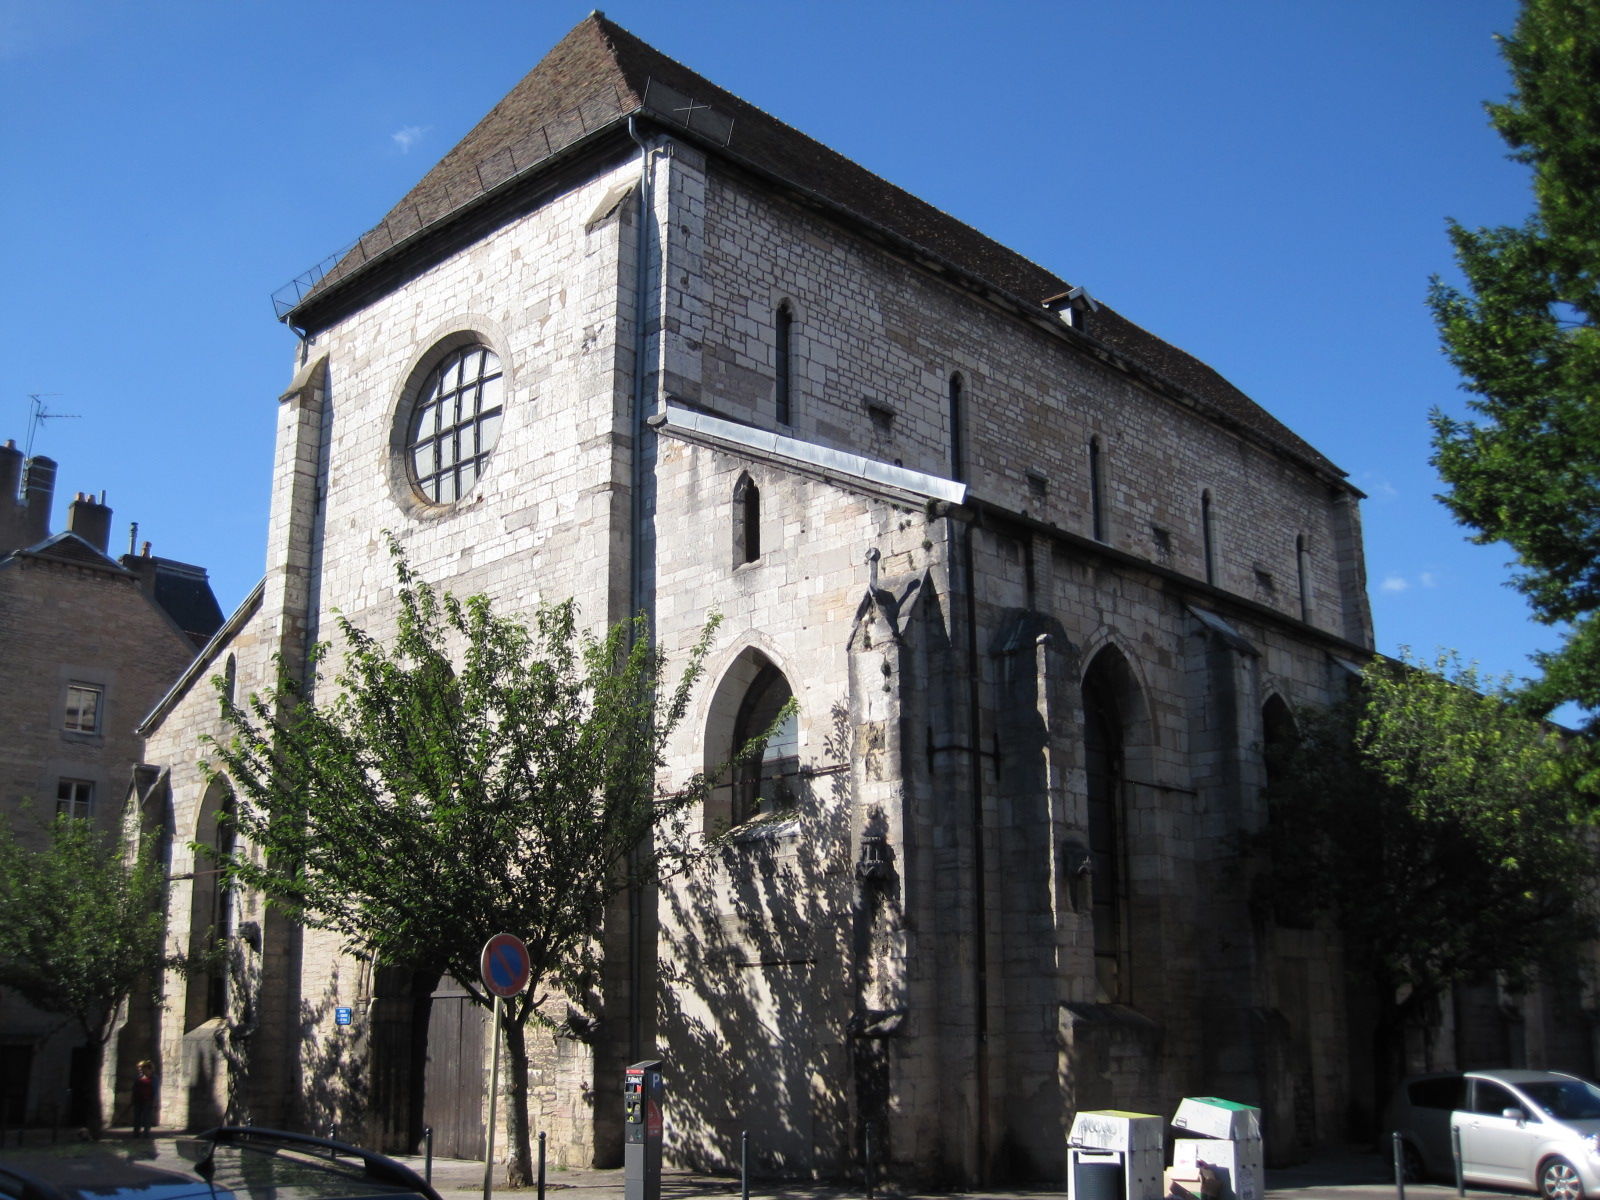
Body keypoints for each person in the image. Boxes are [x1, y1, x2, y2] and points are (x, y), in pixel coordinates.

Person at [130, 1060, 155, 1137]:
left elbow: (155, 1090)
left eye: (141, 1067)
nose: (140, 1069)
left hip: (148, 1100)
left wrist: (155, 1100)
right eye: (139, 1068)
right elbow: (134, 1089)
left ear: (147, 1068)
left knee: (146, 1117)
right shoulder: (138, 1078)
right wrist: (133, 1098)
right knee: (137, 1117)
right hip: (138, 1100)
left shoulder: (153, 1078)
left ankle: (146, 1133)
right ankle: (136, 1132)